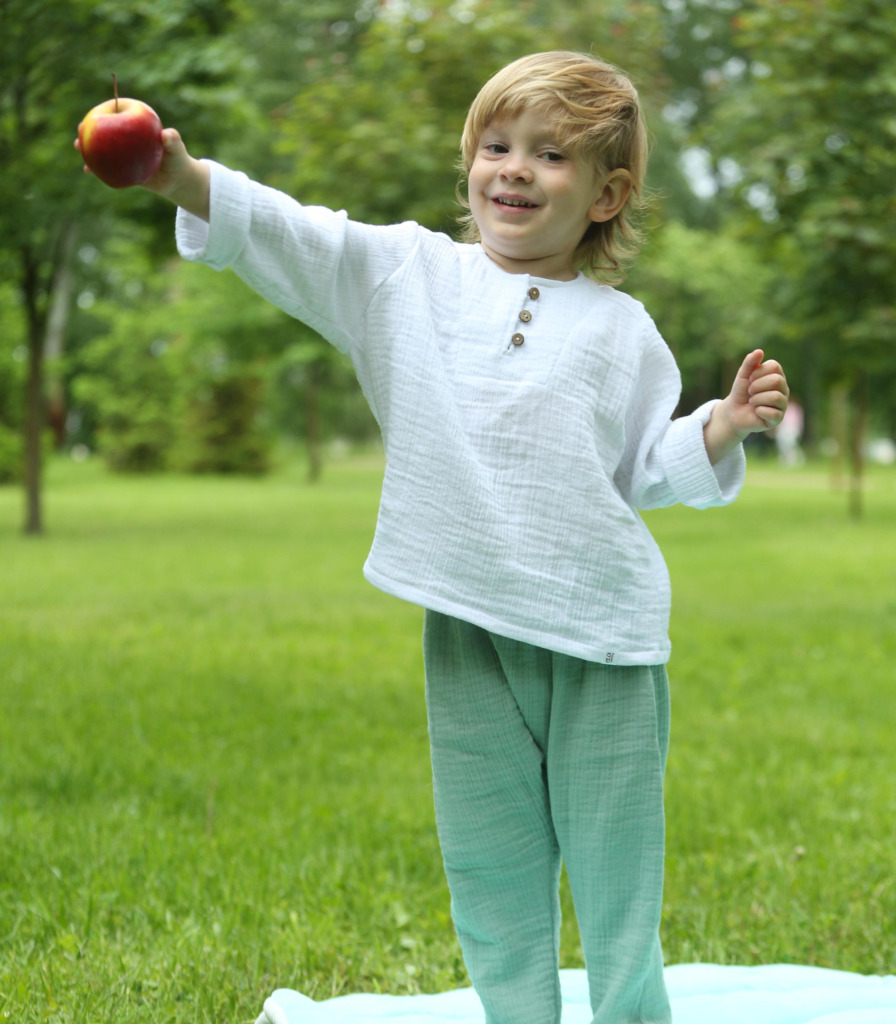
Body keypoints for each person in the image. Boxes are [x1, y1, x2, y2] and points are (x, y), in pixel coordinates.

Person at [78, 50, 789, 1024]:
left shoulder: (622, 330)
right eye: (495, 146)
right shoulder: (408, 276)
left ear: (606, 194)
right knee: (489, 862)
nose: (513, 169)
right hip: (468, 624)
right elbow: (301, 236)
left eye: (549, 155)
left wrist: (721, 426)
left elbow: (638, 469)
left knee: (614, 869)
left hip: (601, 639)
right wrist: (183, 177)